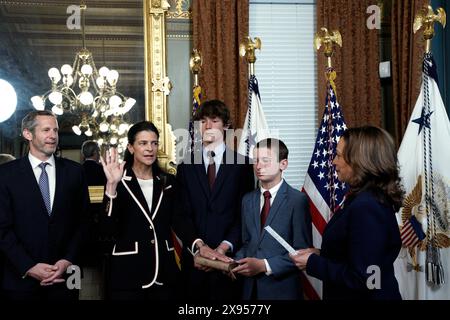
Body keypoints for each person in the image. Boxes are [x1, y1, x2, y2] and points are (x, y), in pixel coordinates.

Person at [100, 121, 228, 300]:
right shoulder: (118, 180)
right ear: (131, 147)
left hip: (165, 273)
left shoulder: (168, 181)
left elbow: (180, 219)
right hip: (128, 274)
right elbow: (107, 230)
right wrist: (111, 186)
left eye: (154, 143)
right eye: (143, 143)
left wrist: (199, 245)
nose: (150, 148)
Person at [290, 126, 404, 300]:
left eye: (338, 155)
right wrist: (322, 254)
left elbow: (367, 279)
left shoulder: (367, 206)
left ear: (360, 160)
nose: (333, 162)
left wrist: (313, 263)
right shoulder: (363, 198)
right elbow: (358, 253)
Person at [0, 110, 91, 300]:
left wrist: (67, 261)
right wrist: (28, 266)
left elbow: (83, 222)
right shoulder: (6, 175)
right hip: (19, 279)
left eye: (55, 131)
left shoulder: (75, 172)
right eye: (46, 130)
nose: (53, 136)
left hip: (66, 277)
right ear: (28, 134)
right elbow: (2, 229)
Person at [176, 99, 255, 301]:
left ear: (226, 125)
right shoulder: (185, 166)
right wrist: (200, 247)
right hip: (194, 264)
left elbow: (244, 215)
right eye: (203, 121)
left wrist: (222, 249)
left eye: (214, 120)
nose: (208, 126)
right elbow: (181, 214)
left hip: (228, 263)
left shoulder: (242, 165)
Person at [232, 138, 311, 300]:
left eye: (265, 161)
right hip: (250, 290)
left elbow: (302, 253)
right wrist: (233, 261)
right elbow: (248, 243)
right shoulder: (247, 200)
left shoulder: (297, 201)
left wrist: (264, 265)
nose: (259, 166)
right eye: (256, 161)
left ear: (283, 164)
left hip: (282, 291)